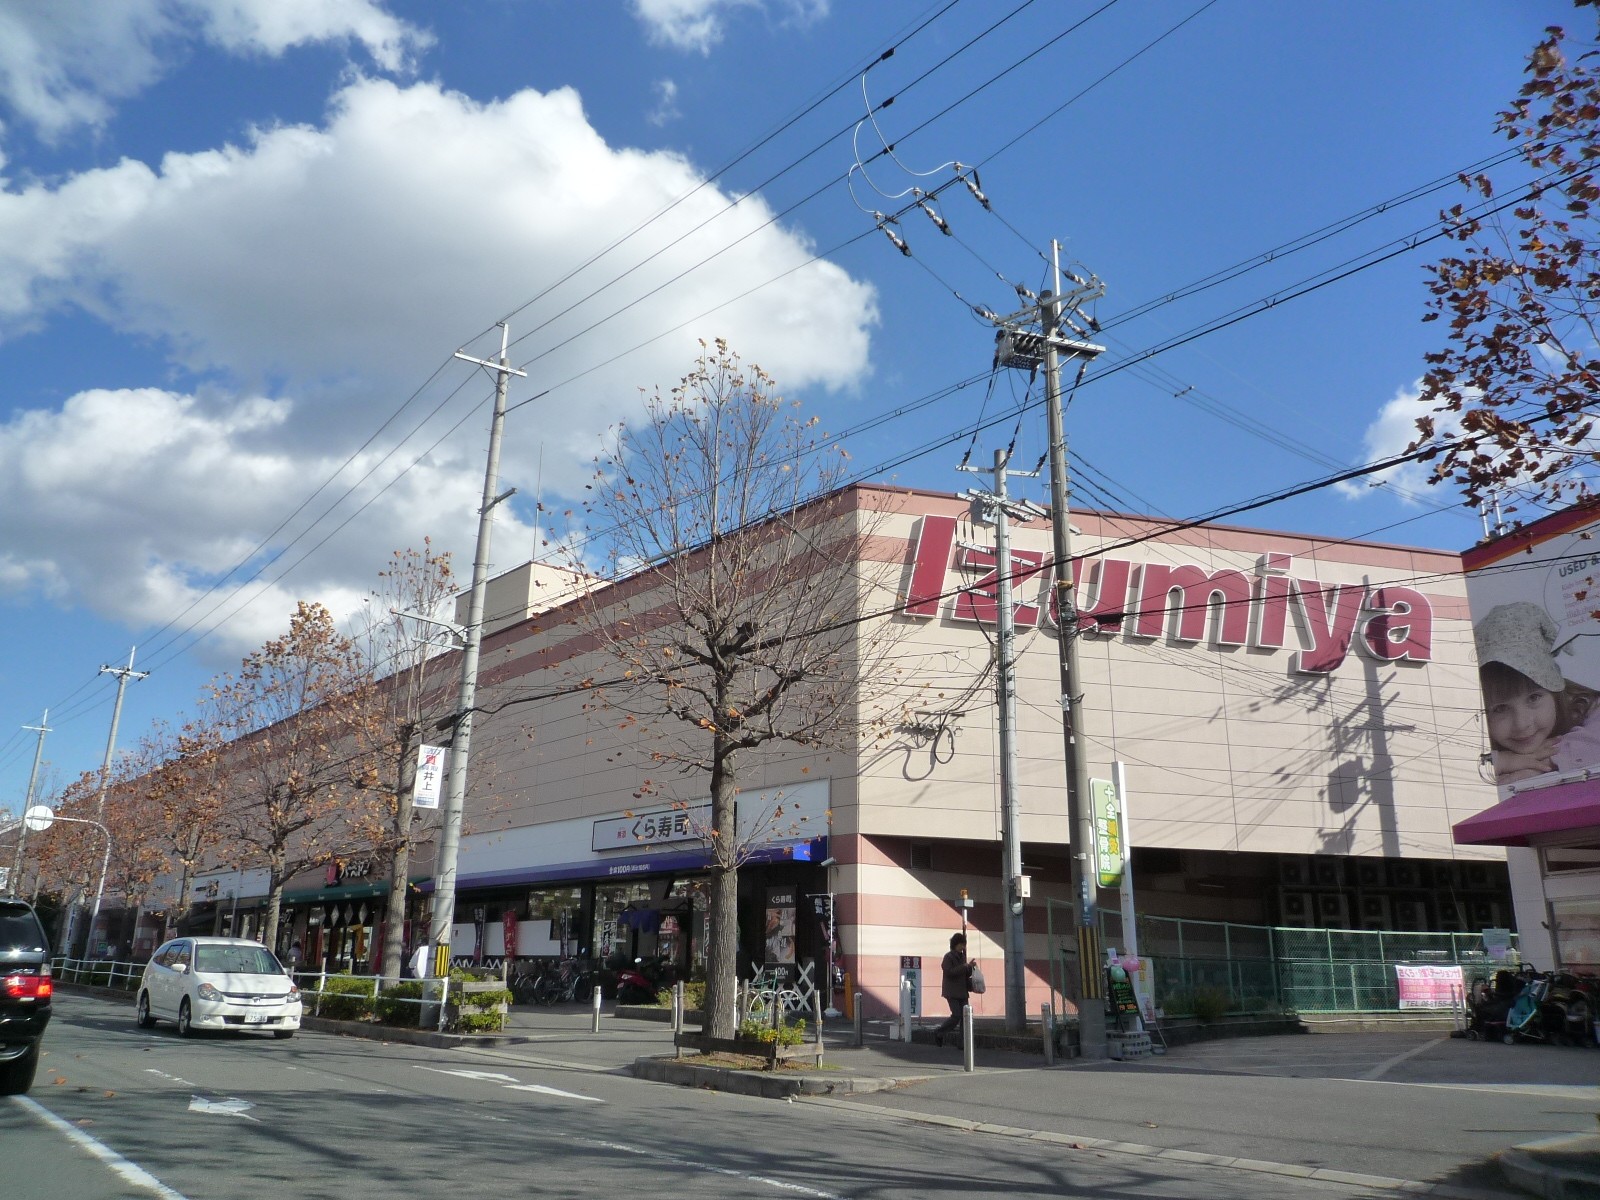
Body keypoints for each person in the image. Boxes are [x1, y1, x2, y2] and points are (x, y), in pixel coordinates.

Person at [1476, 602, 1600, 782]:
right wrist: (1499, 761)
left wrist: (1545, 765)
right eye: (1500, 708)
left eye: (1533, 698)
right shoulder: (1475, 737)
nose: (1522, 724)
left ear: (1555, 689)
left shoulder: (1581, 702)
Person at [933, 932, 975, 1047]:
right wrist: (964, 966)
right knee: (956, 1015)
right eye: (961, 944)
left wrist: (970, 967)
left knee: (966, 1017)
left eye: (964, 944)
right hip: (951, 991)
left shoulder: (962, 957)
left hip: (963, 991)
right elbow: (949, 972)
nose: (963, 947)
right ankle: (939, 1032)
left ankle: (963, 1043)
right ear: (955, 944)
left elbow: (965, 974)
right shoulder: (948, 957)